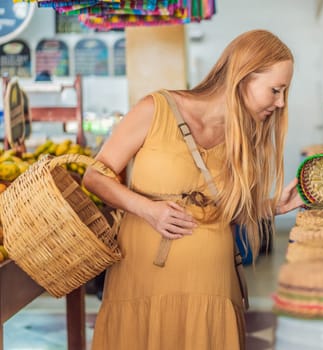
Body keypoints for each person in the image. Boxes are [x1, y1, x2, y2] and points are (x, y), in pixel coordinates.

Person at [83, 29, 303, 350]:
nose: (281, 102)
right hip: (142, 280)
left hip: (212, 289)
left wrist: (272, 206)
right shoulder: (156, 109)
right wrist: (149, 210)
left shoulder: (244, 138)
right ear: (243, 76)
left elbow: (226, 212)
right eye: (276, 90)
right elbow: (95, 176)